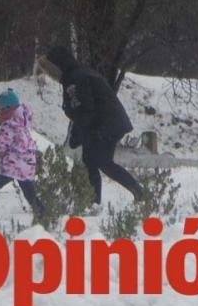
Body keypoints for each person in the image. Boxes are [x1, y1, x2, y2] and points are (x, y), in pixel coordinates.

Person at [38, 45, 145, 212]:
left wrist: (78, 133)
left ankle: (137, 194)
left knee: (102, 162)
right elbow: (82, 109)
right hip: (104, 123)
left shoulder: (75, 78)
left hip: (106, 124)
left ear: (57, 65)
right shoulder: (76, 74)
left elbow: (85, 109)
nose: (49, 74)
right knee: (91, 161)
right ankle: (94, 201)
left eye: (49, 68)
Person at [0, 89, 45, 226]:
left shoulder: (8, 124)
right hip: (27, 163)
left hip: (14, 165)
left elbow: (2, 145)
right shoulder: (22, 119)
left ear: (6, 108)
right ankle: (43, 216)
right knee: (29, 194)